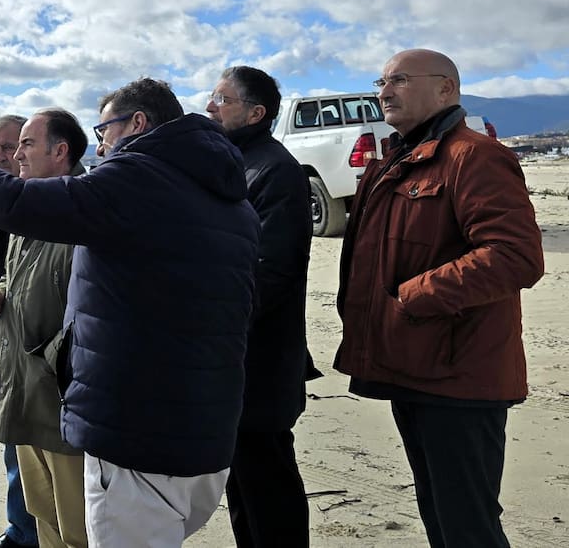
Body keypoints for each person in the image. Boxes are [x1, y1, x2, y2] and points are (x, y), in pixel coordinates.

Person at [0, 78, 259, 547]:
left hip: (138, 432)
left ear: (137, 123)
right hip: (206, 427)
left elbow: (15, 202)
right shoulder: (227, 199)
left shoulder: (139, 179)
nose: (102, 146)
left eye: (104, 130)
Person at [334, 49, 545, 548]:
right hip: (413, 364)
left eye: (400, 80)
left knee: (466, 523)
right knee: (439, 513)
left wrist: (412, 299)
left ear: (445, 88)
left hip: (459, 374)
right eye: (381, 81)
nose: (385, 92)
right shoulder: (402, 158)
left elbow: (514, 256)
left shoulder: (474, 155)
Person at [206, 66, 315, 547]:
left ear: (256, 113)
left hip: (262, 359)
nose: (210, 106)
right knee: (241, 484)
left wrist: (210, 324)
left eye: (223, 99)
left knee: (268, 483)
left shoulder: (275, 170)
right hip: (230, 356)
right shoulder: (233, 165)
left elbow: (272, 272)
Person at [0, 109, 89, 548]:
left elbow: (99, 308)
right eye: (3, 147)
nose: (13, 155)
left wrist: (52, 361)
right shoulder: (28, 206)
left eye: (23, 144)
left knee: (78, 525)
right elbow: (16, 274)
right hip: (22, 387)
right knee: (42, 512)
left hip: (62, 400)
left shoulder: (86, 211)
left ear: (60, 152)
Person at [0, 115, 39, 548]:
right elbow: (0, 268)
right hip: (8, 332)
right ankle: (21, 531)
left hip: (41, 342)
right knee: (14, 437)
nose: (2, 156)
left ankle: (27, 533)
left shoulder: (44, 197)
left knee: (30, 441)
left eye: (11, 146)